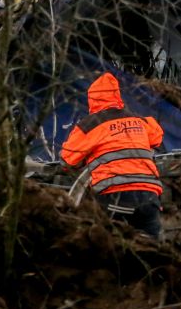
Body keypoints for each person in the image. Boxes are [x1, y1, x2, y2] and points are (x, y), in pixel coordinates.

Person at [61, 71, 165, 239]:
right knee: (154, 252)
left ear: (92, 100)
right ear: (117, 95)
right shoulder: (140, 120)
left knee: (110, 248)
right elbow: (157, 136)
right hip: (149, 195)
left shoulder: (90, 125)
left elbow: (68, 159)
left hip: (115, 196)